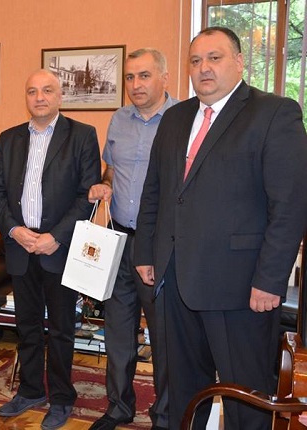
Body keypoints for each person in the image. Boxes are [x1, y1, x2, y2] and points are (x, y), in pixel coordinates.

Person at [133, 27, 307, 429]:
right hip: (175, 280)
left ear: (239, 62)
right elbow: (155, 191)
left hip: (241, 288)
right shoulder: (176, 117)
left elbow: (290, 207)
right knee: (183, 391)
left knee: (245, 396)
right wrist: (145, 252)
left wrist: (270, 280)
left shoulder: (274, 113)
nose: (204, 68)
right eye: (195, 61)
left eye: (215, 58)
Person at [0, 69, 101, 430]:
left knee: (63, 329)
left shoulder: (82, 135)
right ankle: (31, 390)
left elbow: (87, 193)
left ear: (60, 96)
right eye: (32, 91)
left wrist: (55, 236)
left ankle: (63, 397)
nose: (39, 97)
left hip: (59, 246)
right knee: (27, 326)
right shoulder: (8, 138)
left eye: (47, 90)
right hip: (20, 245)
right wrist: (14, 229)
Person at [87, 49, 176, 430]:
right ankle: (119, 407)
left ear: (164, 78)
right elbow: (111, 170)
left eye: (144, 75)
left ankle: (165, 415)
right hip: (119, 239)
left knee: (165, 336)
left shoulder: (182, 119)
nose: (136, 85)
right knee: (117, 331)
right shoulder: (118, 119)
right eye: (129, 77)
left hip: (160, 245)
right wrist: (103, 185)